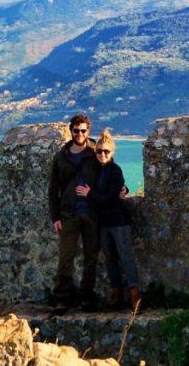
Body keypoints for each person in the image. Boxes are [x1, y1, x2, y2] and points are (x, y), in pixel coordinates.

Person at [48, 113, 100, 313]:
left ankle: (86, 297)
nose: (80, 134)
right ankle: (62, 298)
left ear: (89, 131)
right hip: (68, 214)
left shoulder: (96, 153)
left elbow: (110, 173)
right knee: (65, 258)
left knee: (91, 257)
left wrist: (124, 190)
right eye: (76, 130)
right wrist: (56, 217)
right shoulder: (61, 157)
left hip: (91, 213)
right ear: (70, 131)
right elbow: (53, 189)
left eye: (83, 130)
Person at [88, 129, 141, 311]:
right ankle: (116, 294)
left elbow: (109, 198)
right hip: (103, 223)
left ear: (112, 153)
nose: (102, 155)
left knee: (125, 257)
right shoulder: (95, 170)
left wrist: (89, 194)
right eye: (99, 151)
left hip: (119, 222)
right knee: (110, 259)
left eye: (106, 151)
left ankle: (135, 296)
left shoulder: (116, 171)